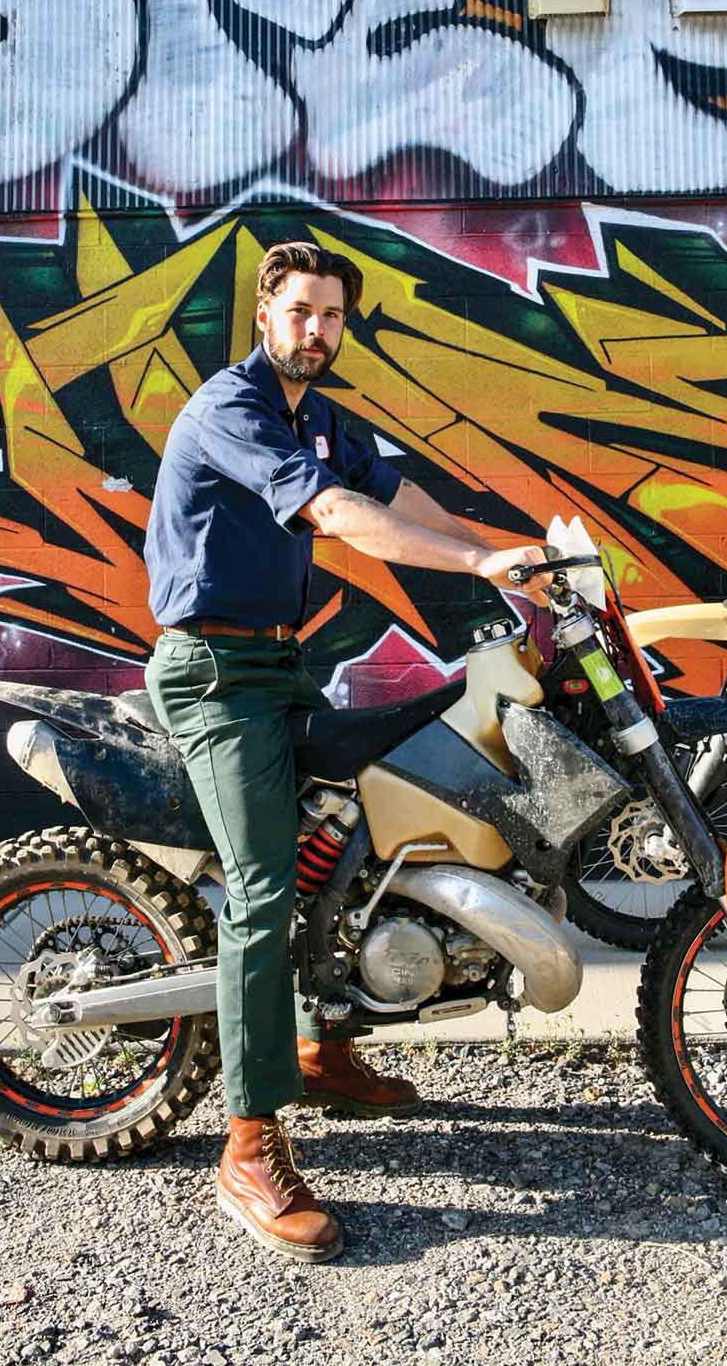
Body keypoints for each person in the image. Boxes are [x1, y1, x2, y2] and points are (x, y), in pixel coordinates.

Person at [143, 240, 545, 1263]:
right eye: (300, 311)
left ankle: (321, 1048)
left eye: (330, 315)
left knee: (361, 829)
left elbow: (395, 497)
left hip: (279, 668)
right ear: (264, 315)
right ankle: (245, 1145)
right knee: (261, 889)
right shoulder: (231, 409)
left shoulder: (317, 416)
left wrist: (510, 562)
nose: (315, 330)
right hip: (212, 677)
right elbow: (333, 513)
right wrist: (470, 559)